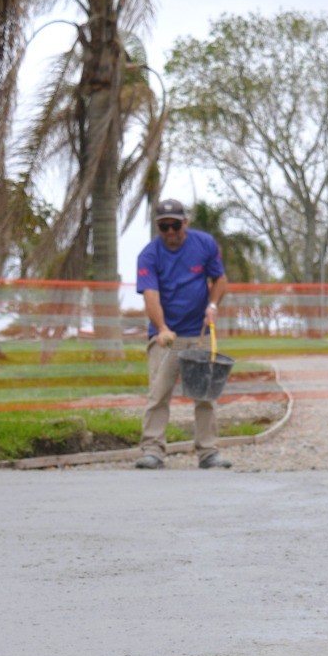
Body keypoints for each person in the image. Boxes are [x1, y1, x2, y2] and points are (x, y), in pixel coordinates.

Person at [133, 198, 230, 470]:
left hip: (198, 333)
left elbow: (219, 279)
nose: (170, 232)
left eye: (175, 225)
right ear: (158, 228)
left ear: (185, 222)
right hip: (167, 336)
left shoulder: (204, 244)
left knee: (205, 394)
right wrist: (162, 328)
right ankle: (153, 450)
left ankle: (208, 452)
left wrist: (213, 306)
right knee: (158, 393)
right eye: (164, 227)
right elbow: (150, 296)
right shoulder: (149, 255)